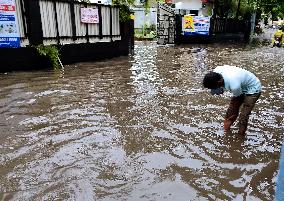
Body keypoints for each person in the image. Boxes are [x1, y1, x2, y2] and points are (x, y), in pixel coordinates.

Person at [202, 65, 262, 135]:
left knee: (243, 116)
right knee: (231, 111)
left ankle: (240, 136)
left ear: (220, 82)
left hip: (253, 89)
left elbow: (238, 96)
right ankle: (226, 131)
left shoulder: (234, 86)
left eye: (217, 87)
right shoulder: (216, 70)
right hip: (240, 84)